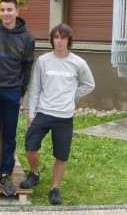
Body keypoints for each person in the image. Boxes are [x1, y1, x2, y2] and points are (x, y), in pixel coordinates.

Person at [20, 24, 95, 205]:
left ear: (69, 40)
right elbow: (35, 89)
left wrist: (72, 96)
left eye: (63, 37)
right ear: (52, 39)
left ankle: (54, 188)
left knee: (61, 155)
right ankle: (34, 173)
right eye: (56, 37)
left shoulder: (78, 63)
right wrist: (31, 113)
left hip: (64, 117)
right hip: (43, 113)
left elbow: (89, 84)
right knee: (30, 146)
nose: (59, 41)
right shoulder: (43, 61)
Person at [0, 0, 35, 196]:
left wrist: (21, 91)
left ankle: (6, 175)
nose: (6, 13)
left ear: (16, 11)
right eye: (2, 10)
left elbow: (27, 67)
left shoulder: (27, 38)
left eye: (9, 10)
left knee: (10, 136)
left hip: (12, 92)